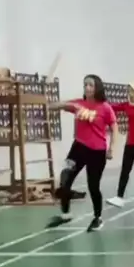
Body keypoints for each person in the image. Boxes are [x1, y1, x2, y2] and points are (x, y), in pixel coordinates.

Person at [46, 74, 118, 232]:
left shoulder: (105, 107)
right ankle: (66, 214)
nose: (87, 87)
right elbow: (53, 106)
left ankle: (98, 218)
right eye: (85, 85)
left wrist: (111, 148)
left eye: (90, 85)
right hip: (78, 148)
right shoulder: (79, 103)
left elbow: (114, 128)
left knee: (93, 186)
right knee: (65, 179)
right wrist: (65, 104)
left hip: (97, 152)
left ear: (97, 87)